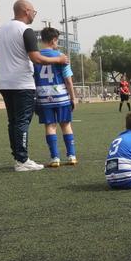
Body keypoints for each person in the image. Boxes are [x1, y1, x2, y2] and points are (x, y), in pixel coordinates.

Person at [0, 0, 68, 172]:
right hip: (22, 82)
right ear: (26, 11)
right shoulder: (25, 30)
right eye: (33, 12)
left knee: (13, 121)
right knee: (22, 121)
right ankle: (22, 160)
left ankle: (18, 157)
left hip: (5, 82)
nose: (34, 15)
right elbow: (36, 58)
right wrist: (58, 59)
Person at [33, 27, 78, 168]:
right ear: (53, 40)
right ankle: (71, 156)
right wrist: (73, 97)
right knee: (65, 125)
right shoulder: (61, 56)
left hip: (43, 97)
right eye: (57, 40)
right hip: (61, 96)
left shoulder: (35, 57)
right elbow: (68, 80)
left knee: (50, 126)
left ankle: (55, 158)